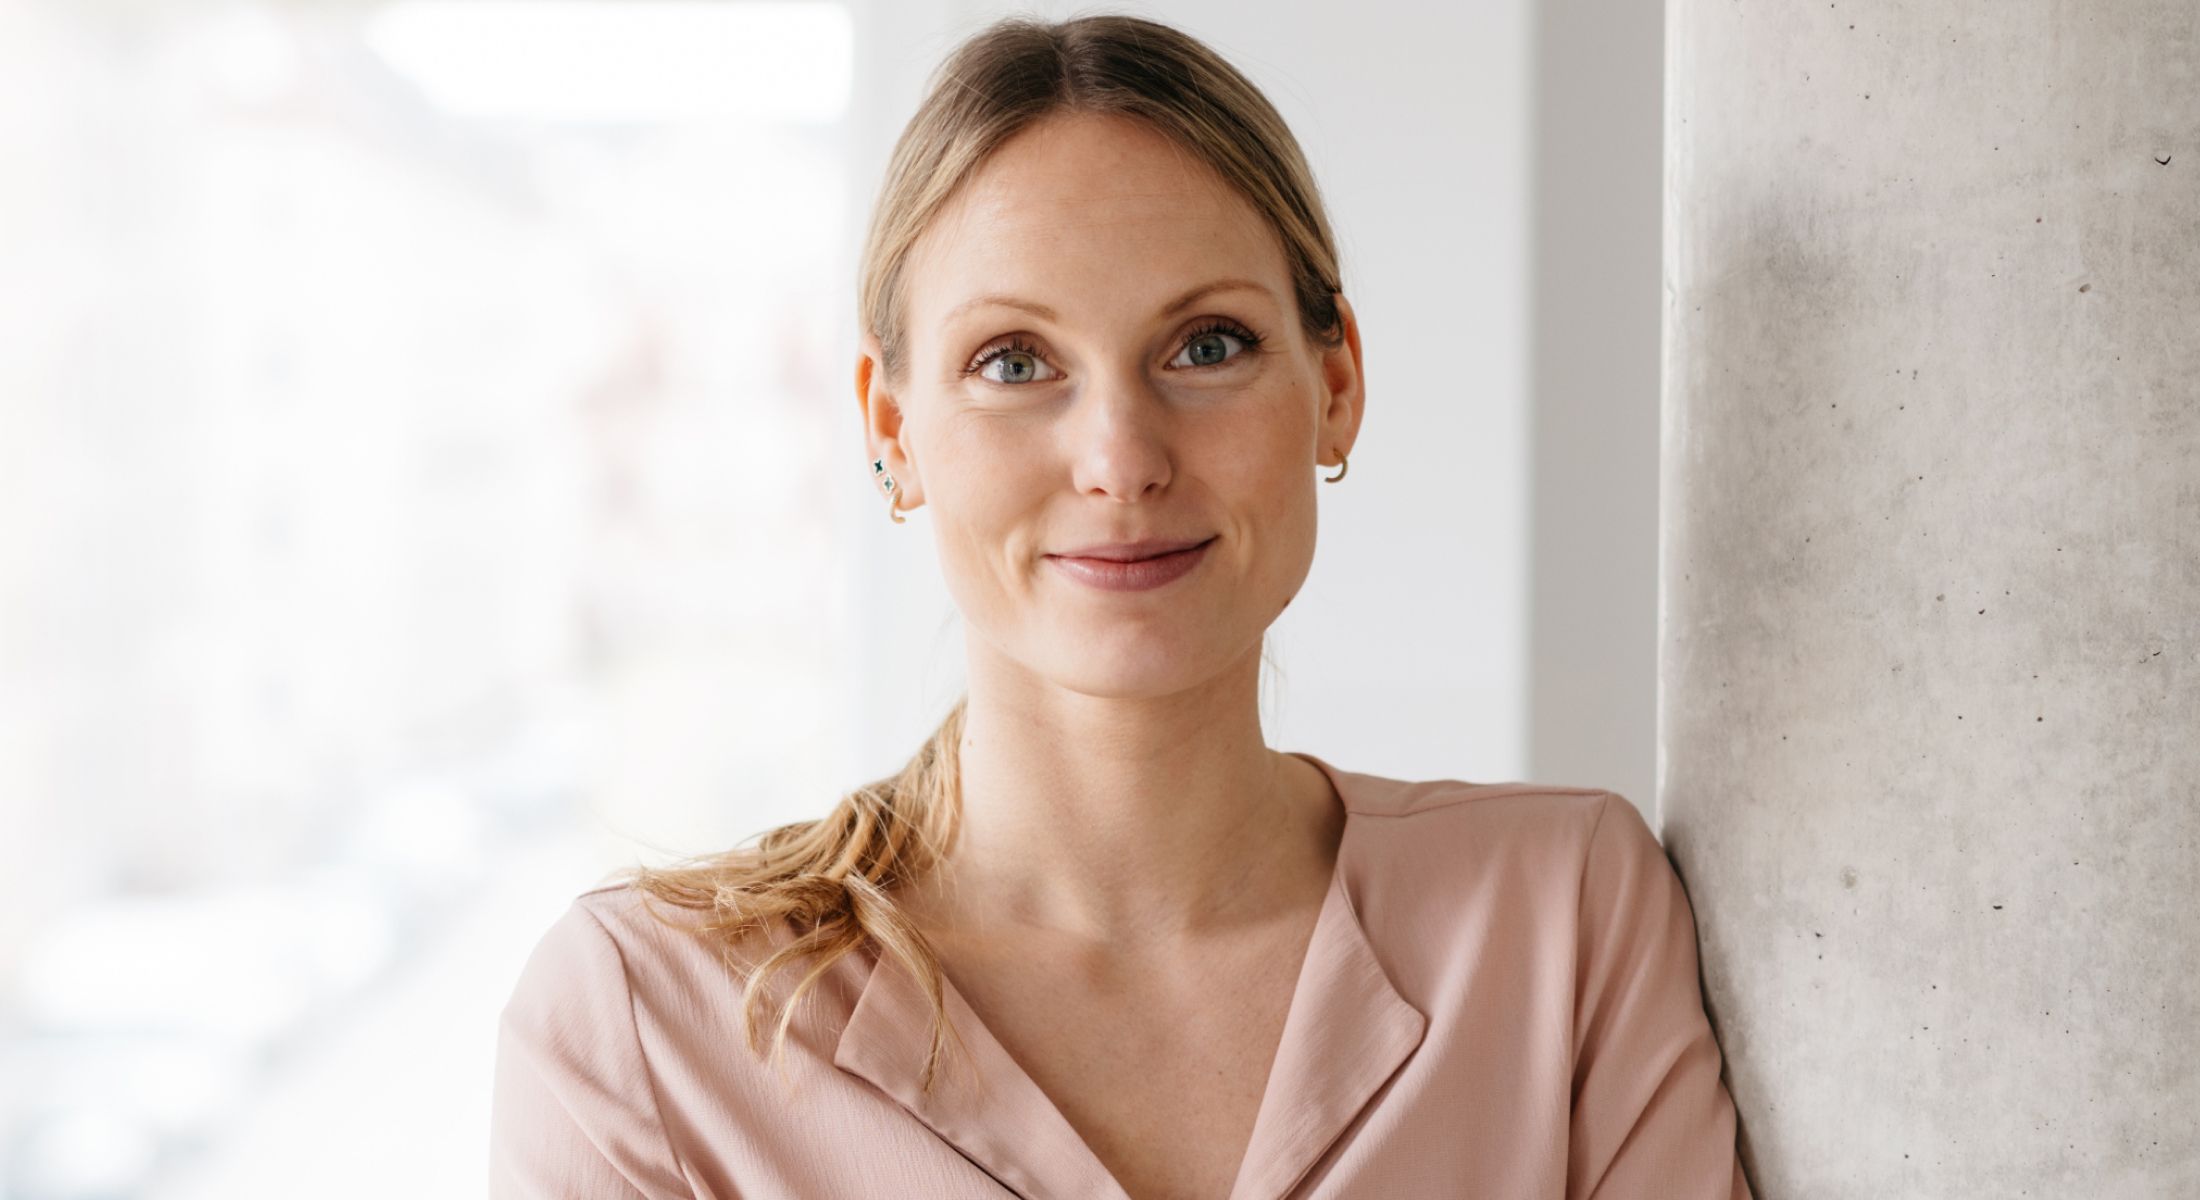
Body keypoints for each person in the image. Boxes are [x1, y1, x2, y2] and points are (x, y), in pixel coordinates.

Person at [489, 13, 1752, 1199]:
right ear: (893, 431)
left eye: (1206, 345)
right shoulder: (647, 1025)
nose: (1120, 457)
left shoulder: (1562, 920)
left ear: (1336, 383)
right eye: (1013, 362)